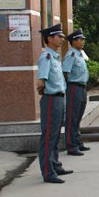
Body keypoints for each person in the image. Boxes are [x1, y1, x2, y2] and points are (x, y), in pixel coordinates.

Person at [36, 24, 73, 184]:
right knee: (49, 136)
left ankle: (55, 165)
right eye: (59, 36)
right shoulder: (46, 57)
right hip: (51, 99)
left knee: (56, 134)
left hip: (58, 98)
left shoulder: (55, 57)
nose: (62, 39)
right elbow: (40, 82)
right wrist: (44, 90)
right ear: (50, 39)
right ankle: (47, 171)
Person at [63, 28, 90, 156]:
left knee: (78, 117)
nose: (83, 42)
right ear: (73, 41)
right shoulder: (71, 55)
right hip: (74, 87)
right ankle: (71, 146)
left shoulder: (79, 54)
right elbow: (65, 73)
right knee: (72, 118)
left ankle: (78, 142)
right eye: (80, 39)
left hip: (82, 87)